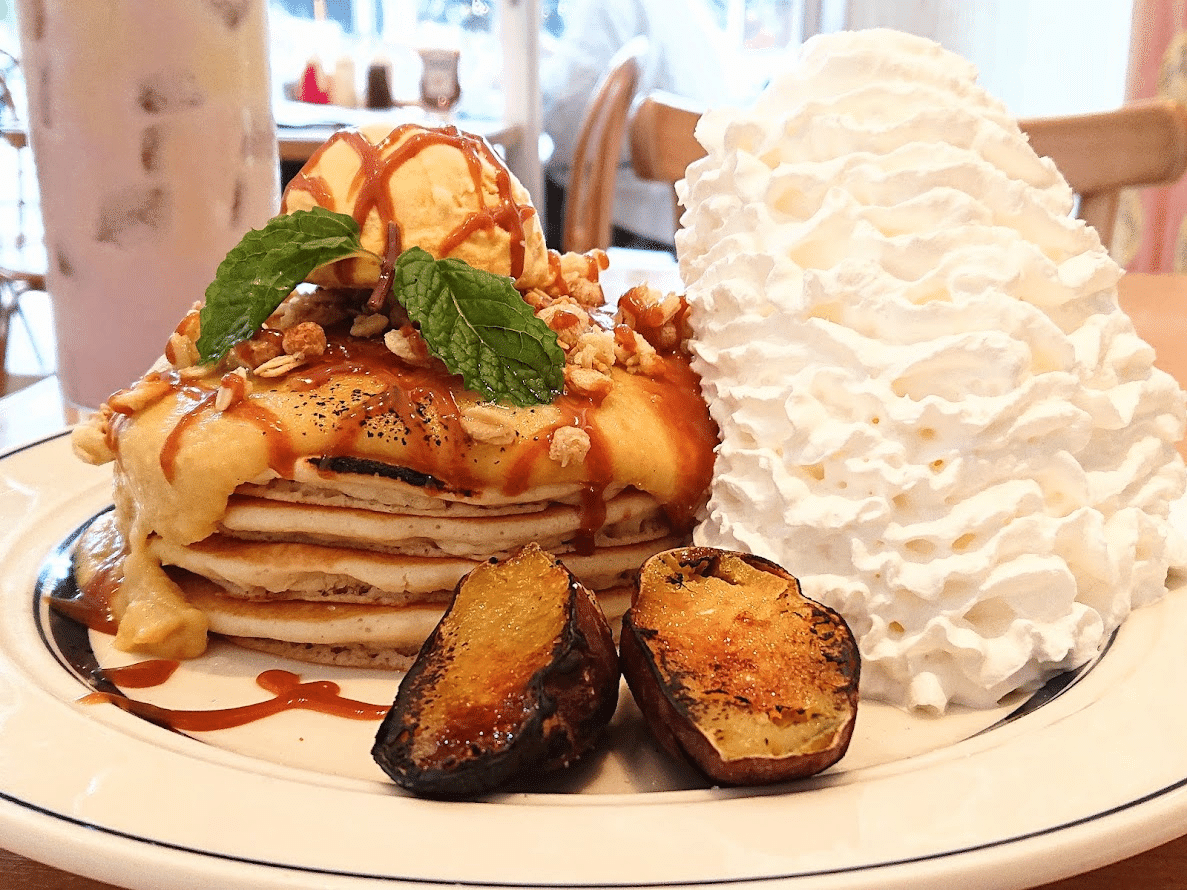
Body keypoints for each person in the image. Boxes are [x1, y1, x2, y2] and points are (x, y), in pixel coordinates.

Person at [540, 0, 744, 251]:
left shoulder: (602, 6)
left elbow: (566, 119)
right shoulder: (691, 10)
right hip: (690, 225)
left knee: (530, 189)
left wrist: (534, 83)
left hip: (633, 224)